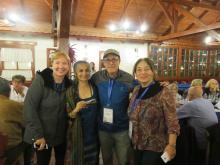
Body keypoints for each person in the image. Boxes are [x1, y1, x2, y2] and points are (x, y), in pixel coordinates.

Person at [128, 58, 180, 165]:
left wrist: (171, 145)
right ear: (135, 73)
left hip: (155, 146)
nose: (143, 73)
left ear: (153, 71)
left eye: (147, 69)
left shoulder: (163, 91)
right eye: (139, 69)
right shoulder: (136, 90)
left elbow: (173, 122)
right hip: (136, 143)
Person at [23, 52, 72, 165]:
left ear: (69, 66)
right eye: (57, 62)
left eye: (64, 63)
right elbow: (29, 108)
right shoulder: (41, 80)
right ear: (52, 64)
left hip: (60, 135)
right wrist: (38, 135)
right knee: (42, 161)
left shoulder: (69, 84)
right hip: (41, 134)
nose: (61, 66)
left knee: (60, 161)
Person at [91, 49, 135, 165]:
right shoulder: (96, 77)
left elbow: (143, 87)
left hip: (122, 128)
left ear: (119, 61)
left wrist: (158, 84)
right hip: (103, 128)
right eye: (107, 59)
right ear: (103, 62)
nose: (111, 62)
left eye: (114, 59)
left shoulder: (128, 78)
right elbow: (83, 84)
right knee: (106, 159)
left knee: (124, 159)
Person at [66, 61, 99, 165]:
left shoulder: (95, 87)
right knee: (79, 159)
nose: (84, 73)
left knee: (93, 159)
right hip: (78, 134)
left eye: (87, 70)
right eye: (81, 70)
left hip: (94, 133)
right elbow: (69, 116)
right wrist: (76, 109)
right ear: (75, 72)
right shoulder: (71, 91)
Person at [177, 86, 218, 165]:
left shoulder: (191, 105)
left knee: (181, 129)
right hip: (212, 138)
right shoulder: (208, 102)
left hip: (200, 143)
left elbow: (174, 116)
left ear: (190, 95)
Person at [0, 77, 25, 164]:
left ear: (22, 84)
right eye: (14, 82)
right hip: (8, 149)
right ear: (9, 90)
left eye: (19, 82)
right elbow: (26, 123)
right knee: (30, 138)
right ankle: (28, 161)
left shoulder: (27, 90)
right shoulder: (15, 106)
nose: (16, 84)